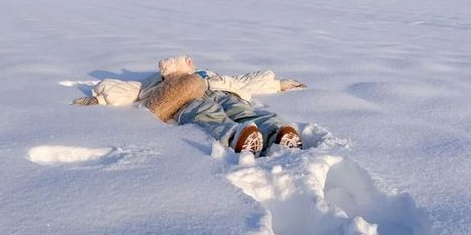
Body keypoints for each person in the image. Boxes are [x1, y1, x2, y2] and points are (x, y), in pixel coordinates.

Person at [74, 55, 306, 155]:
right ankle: (235, 136)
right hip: (186, 101)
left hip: (221, 92)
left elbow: (245, 81)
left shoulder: (209, 74)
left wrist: (278, 84)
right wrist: (100, 98)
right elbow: (131, 91)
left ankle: (277, 133)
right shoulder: (159, 81)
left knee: (242, 109)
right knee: (205, 112)